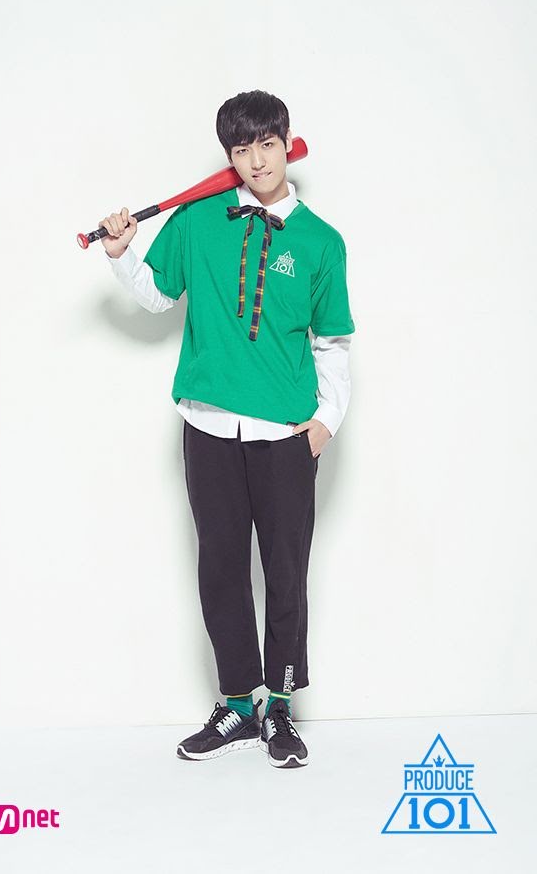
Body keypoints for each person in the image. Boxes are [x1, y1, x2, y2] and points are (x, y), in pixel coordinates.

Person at [99, 90, 355, 769]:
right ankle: (238, 703)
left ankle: (281, 707)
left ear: (287, 143)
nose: (257, 160)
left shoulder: (322, 242)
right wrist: (121, 254)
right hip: (207, 426)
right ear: (230, 156)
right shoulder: (198, 219)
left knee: (285, 572)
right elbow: (158, 296)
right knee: (220, 569)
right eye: (242, 150)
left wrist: (325, 422)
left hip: (285, 436)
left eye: (267, 144)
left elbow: (332, 344)